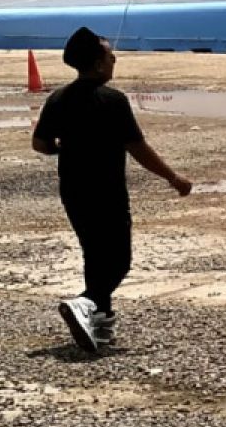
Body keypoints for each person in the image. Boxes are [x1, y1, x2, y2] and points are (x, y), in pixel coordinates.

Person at [32, 27, 192, 353]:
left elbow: (40, 144)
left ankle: (99, 328)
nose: (114, 58)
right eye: (108, 54)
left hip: (73, 190)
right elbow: (138, 148)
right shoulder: (113, 101)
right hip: (107, 191)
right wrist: (173, 178)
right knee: (119, 260)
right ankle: (86, 303)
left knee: (95, 254)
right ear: (97, 64)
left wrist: (64, 149)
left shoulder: (58, 98)